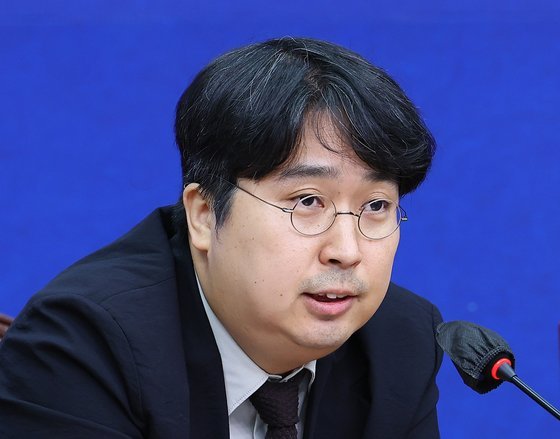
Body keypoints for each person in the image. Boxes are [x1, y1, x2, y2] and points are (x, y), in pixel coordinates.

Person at [0, 37, 443, 438]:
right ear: (204, 214)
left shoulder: (400, 341)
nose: (346, 251)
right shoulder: (85, 345)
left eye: (376, 206)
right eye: (308, 201)